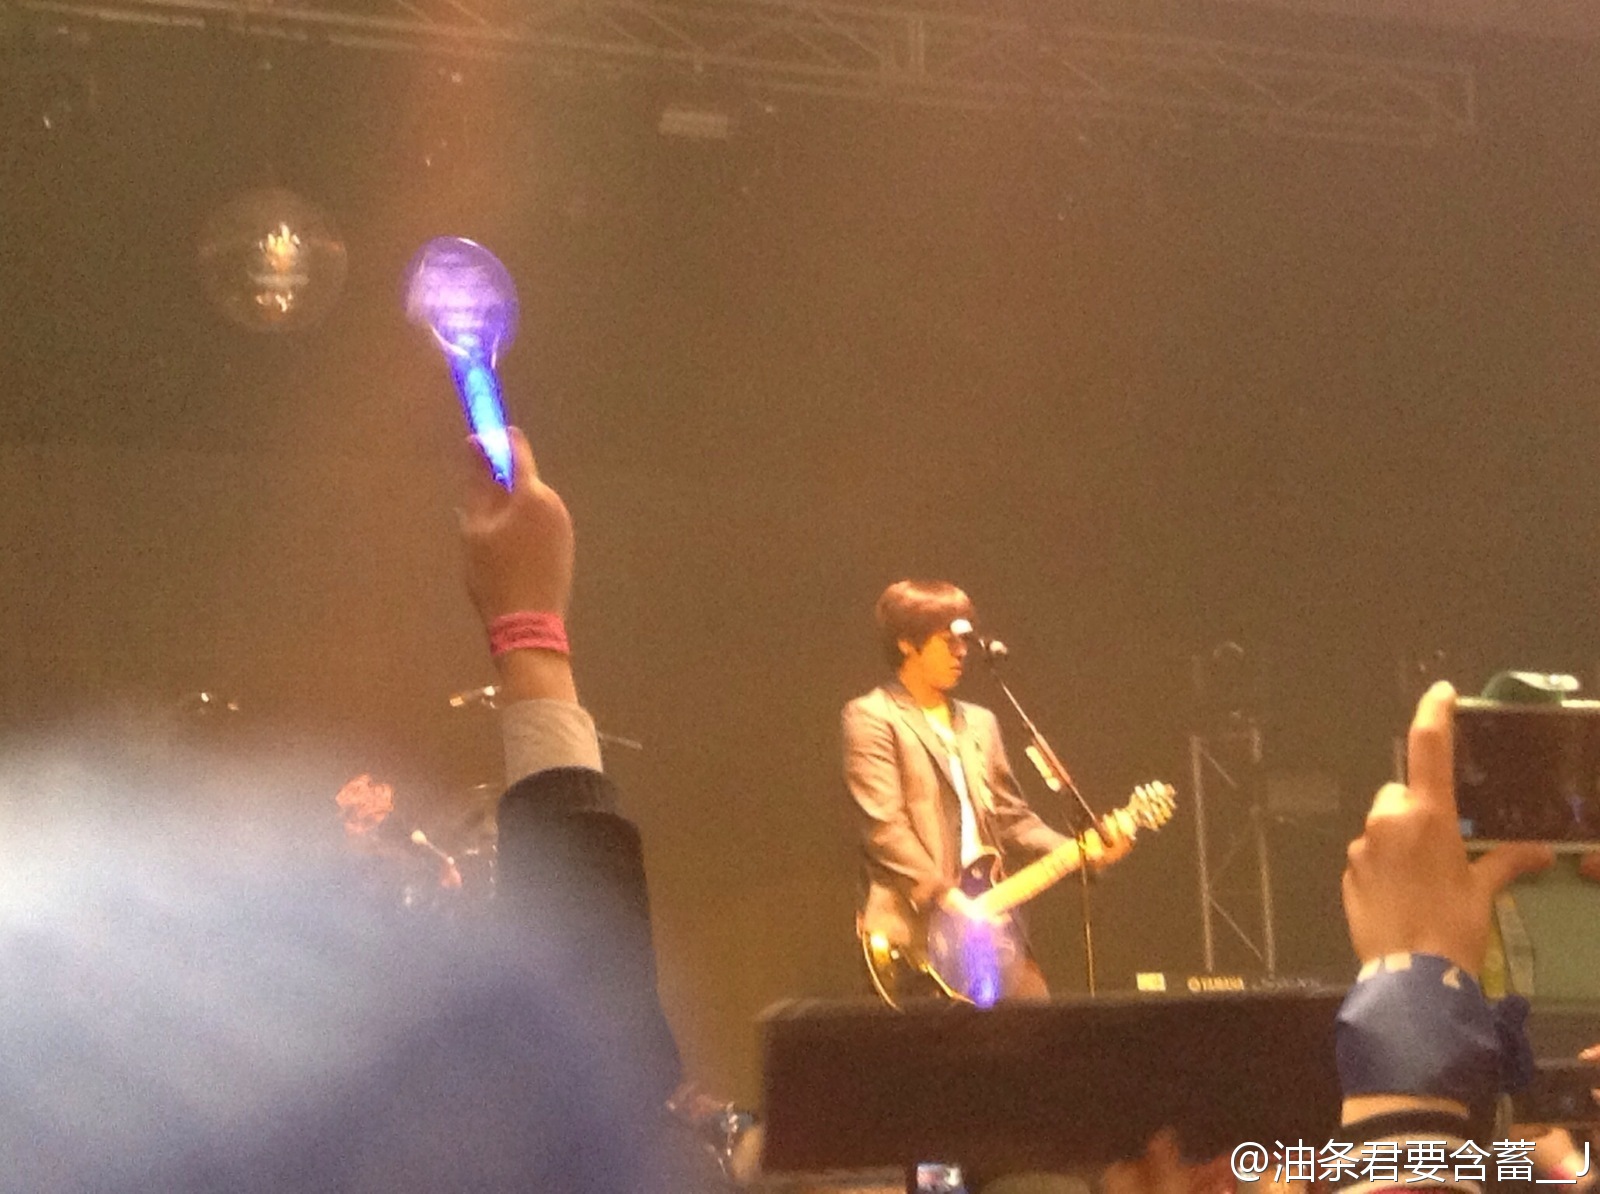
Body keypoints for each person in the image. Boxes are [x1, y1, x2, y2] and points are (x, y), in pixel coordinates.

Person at [843, 579, 1129, 1002]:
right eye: (948, 641)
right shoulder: (872, 717)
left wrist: (1086, 851)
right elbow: (885, 828)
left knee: (1036, 1019)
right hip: (915, 932)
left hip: (991, 926)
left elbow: (1013, 820)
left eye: (964, 641)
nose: (961, 653)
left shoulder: (980, 723)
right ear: (906, 643)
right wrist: (944, 895)